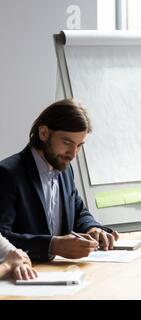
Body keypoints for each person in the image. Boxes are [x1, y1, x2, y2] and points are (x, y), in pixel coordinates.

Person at [0, 99, 119, 262]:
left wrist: (92, 227)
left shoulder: (65, 168)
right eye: (67, 142)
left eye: (79, 145)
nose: (73, 154)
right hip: (22, 274)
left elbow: (78, 210)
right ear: (43, 133)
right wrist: (52, 245)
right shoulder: (7, 173)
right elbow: (2, 236)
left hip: (61, 272)